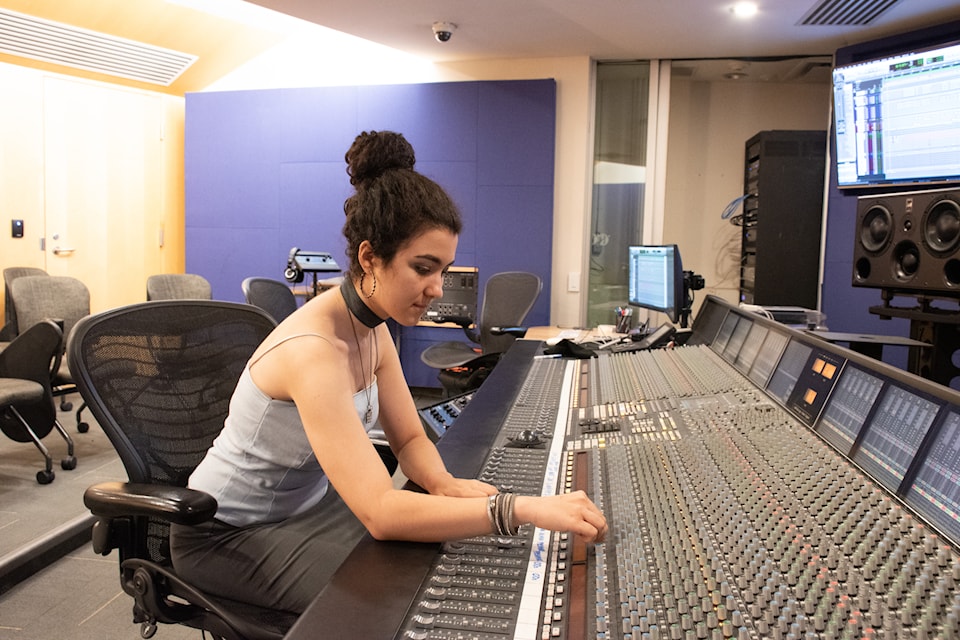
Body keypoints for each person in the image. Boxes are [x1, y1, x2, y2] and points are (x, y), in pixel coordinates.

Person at [170, 130, 607, 614]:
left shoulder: (372, 327)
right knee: (389, 605)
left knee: (435, 559)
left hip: (311, 506)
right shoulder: (314, 352)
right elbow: (380, 512)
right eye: (423, 268)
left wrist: (443, 484)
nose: (438, 288)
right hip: (223, 535)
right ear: (369, 258)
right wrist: (518, 509)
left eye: (444, 269)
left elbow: (410, 440)